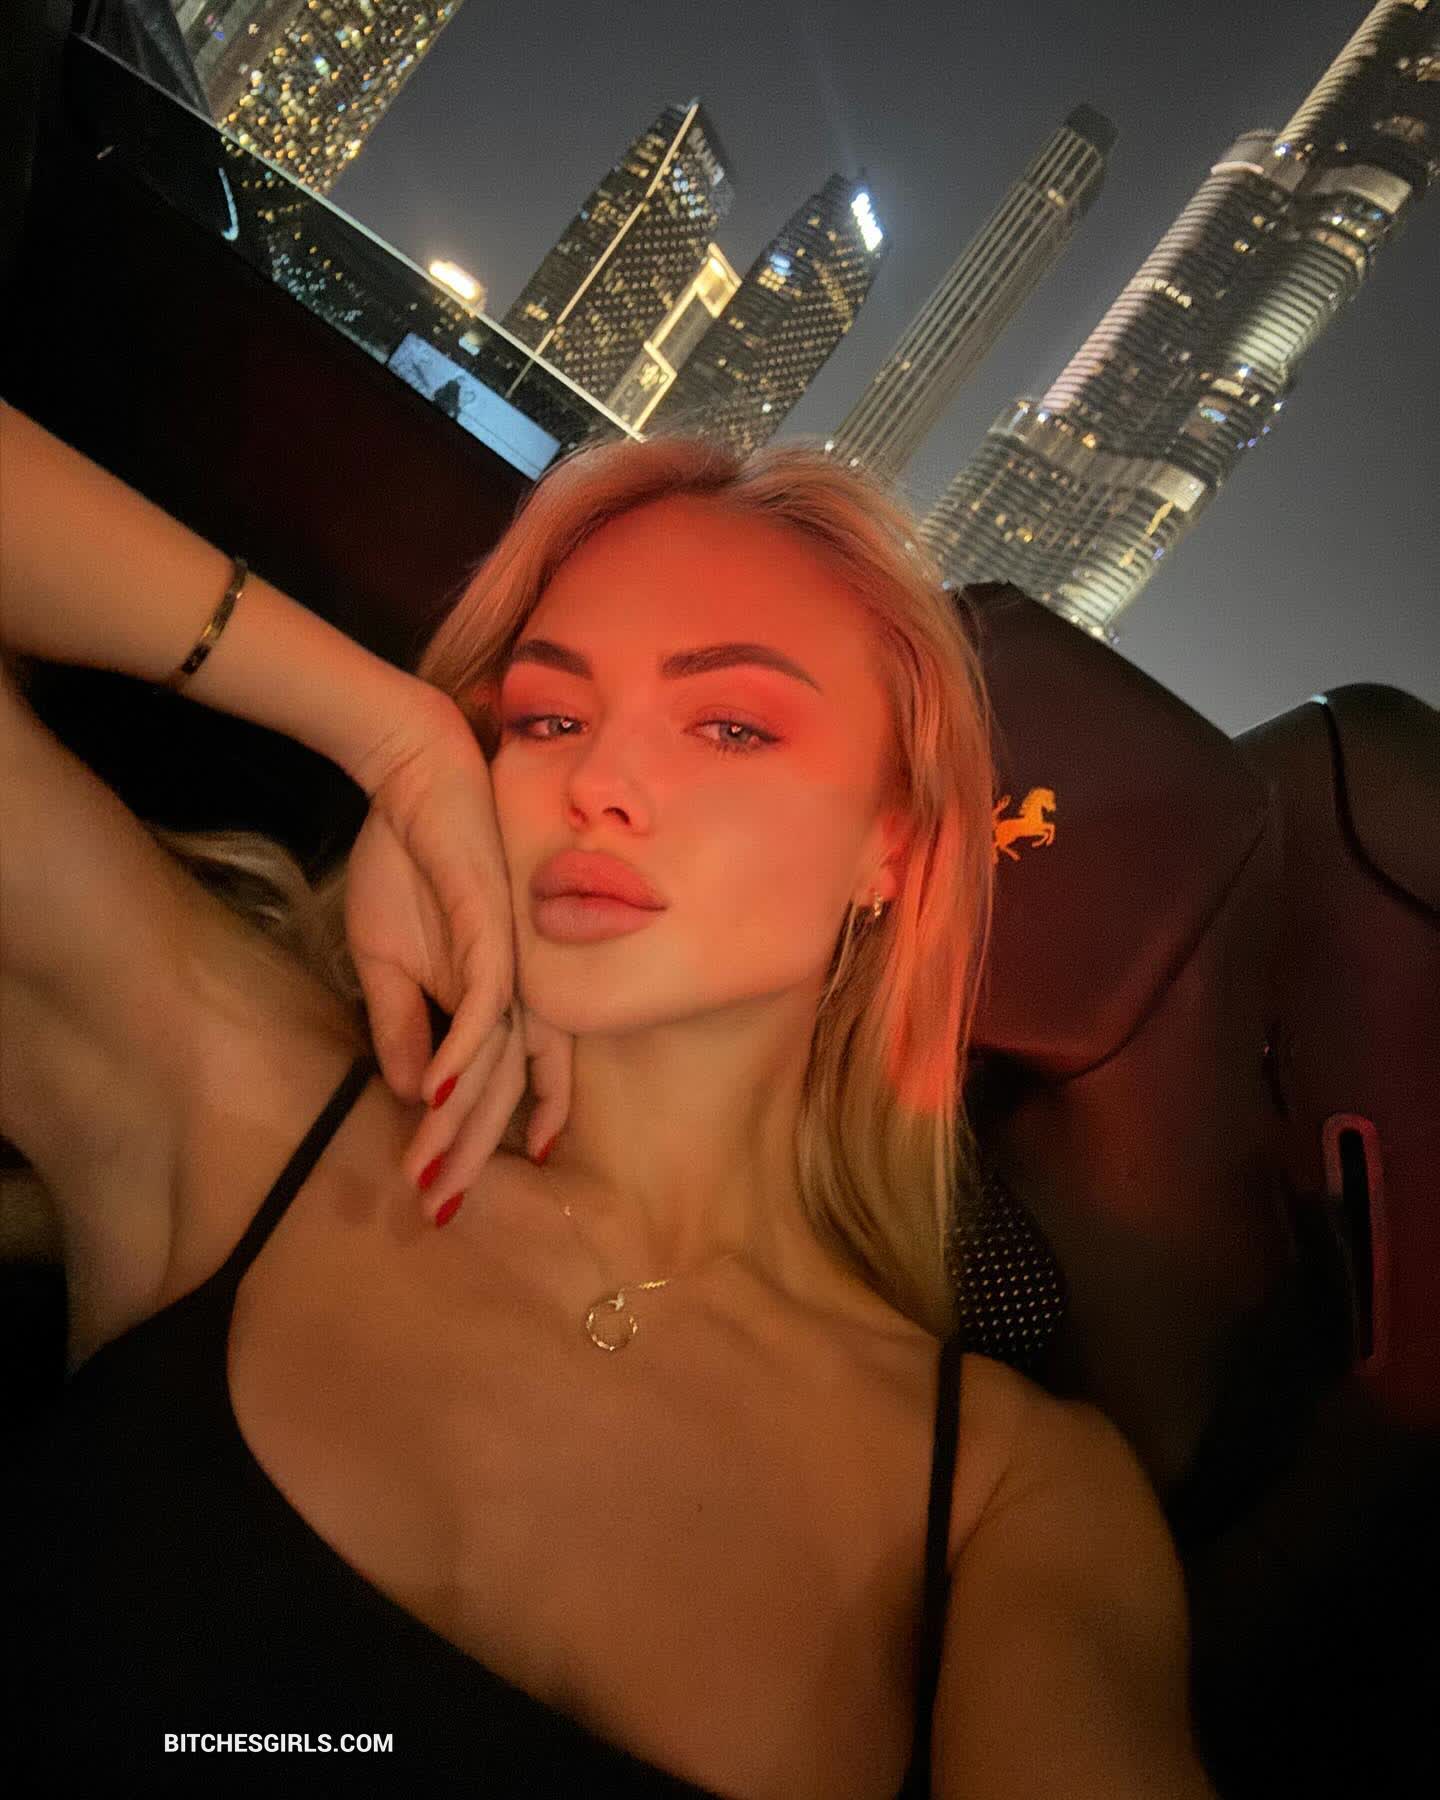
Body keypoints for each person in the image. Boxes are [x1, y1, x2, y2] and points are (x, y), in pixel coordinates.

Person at [0, 399, 1216, 1796]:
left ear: (891, 846)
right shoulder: (234, 1100)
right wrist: (391, 732)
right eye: (548, 717)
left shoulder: (1010, 1501)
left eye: (733, 726)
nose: (600, 784)